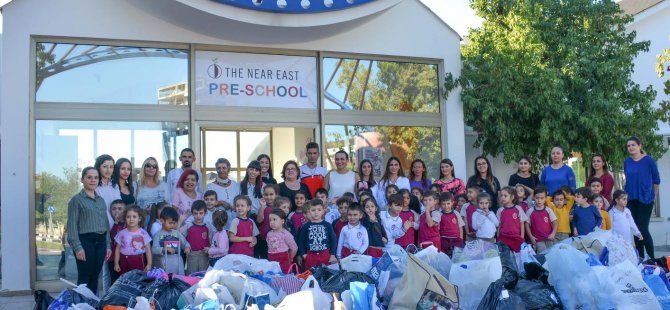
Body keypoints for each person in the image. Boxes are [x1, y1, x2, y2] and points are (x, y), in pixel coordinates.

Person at [66, 167, 112, 295]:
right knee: (84, 277)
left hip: (101, 242)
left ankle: (92, 303)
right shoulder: (76, 200)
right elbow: (72, 226)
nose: (93, 180)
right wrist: (77, 247)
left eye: (96, 177)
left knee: (95, 276)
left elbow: (105, 224)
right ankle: (81, 304)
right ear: (82, 179)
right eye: (89, 177)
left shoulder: (101, 200)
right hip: (85, 242)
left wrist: (108, 245)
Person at [624, 136, 660, 259]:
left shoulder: (649, 160)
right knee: (635, 229)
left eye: (633, 145)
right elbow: (628, 180)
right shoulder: (627, 162)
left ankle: (653, 259)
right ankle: (640, 258)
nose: (631, 147)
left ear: (640, 146)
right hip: (631, 199)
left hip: (646, 199)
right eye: (628, 146)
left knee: (643, 228)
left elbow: (656, 181)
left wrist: (653, 196)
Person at [298, 199, 337, 270]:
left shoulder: (328, 225)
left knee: (325, 276)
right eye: (313, 210)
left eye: (319, 210)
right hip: (311, 255)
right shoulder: (305, 226)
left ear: (323, 211)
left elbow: (333, 240)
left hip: (325, 254)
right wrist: (303, 254)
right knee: (310, 276)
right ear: (309, 211)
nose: (316, 212)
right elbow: (301, 241)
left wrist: (332, 254)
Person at [152, 207, 190, 275]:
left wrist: (187, 247)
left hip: (178, 261)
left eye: (174, 223)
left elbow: (185, 243)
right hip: (164, 262)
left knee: (179, 279)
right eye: (170, 223)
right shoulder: (157, 235)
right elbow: (154, 249)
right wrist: (164, 249)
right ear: (161, 221)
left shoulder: (177, 233)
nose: (172, 225)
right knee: (167, 279)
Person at [114, 205, 152, 274]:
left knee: (138, 280)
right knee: (125, 280)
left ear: (139, 218)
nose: (131, 219)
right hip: (124, 260)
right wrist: (116, 263)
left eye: (134, 217)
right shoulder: (122, 233)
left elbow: (148, 249)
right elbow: (117, 249)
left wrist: (149, 264)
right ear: (125, 218)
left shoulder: (143, 233)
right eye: (128, 217)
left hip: (138, 260)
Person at [180, 200, 215, 274]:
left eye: (201, 213)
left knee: (204, 276)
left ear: (205, 213)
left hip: (204, 255)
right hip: (192, 255)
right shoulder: (189, 226)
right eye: (195, 213)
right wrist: (180, 220)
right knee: (192, 275)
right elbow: (178, 234)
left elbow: (212, 240)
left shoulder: (208, 227)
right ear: (192, 214)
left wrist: (211, 250)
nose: (198, 216)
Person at [525, 186, 557, 253]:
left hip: (549, 238)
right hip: (538, 239)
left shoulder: (548, 210)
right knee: (542, 255)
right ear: (534, 197)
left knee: (551, 254)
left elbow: (555, 222)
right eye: (537, 198)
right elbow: (526, 224)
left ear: (545, 198)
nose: (539, 200)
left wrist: (553, 234)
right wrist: (531, 236)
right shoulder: (530, 211)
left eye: (542, 198)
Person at [266, 208, 298, 273]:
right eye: (270, 220)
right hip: (271, 259)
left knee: (285, 275)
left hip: (283, 259)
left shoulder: (286, 234)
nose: (272, 222)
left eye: (274, 219)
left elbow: (294, 248)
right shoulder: (269, 234)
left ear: (282, 221)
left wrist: (290, 257)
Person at [496, 187, 527, 252]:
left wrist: (522, 237)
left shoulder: (518, 208)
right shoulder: (500, 210)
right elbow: (499, 225)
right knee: (505, 256)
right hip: (504, 237)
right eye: (501, 196)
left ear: (512, 197)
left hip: (516, 237)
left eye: (505, 196)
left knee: (517, 257)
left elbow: (522, 223)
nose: (503, 197)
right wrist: (498, 237)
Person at [95, 154, 121, 227]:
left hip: (117, 226)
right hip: (103, 227)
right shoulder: (95, 187)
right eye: (105, 167)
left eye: (111, 167)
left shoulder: (115, 186)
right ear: (98, 167)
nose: (108, 170)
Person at [256, 184, 280, 259]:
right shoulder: (263, 208)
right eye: (266, 195)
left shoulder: (279, 208)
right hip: (264, 240)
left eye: (271, 194)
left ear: (276, 195)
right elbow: (259, 220)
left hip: (277, 240)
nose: (268, 197)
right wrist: (262, 207)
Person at [107, 200, 125, 285]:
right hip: (113, 258)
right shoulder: (111, 224)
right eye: (114, 209)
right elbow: (112, 237)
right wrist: (116, 223)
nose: (117, 211)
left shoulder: (127, 224)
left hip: (124, 257)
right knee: (114, 280)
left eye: (119, 209)